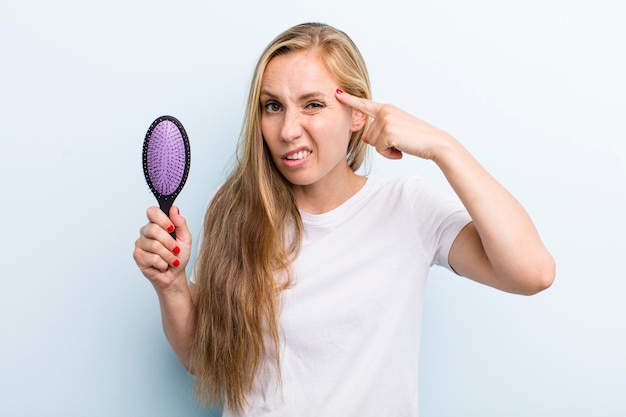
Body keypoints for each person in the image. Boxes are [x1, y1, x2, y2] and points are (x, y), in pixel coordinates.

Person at [133, 22, 555, 416]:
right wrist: (171, 287)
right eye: (273, 106)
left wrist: (443, 148)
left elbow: (532, 273)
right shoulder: (233, 210)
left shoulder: (407, 207)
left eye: (312, 104)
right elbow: (206, 361)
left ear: (358, 114)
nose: (287, 130)